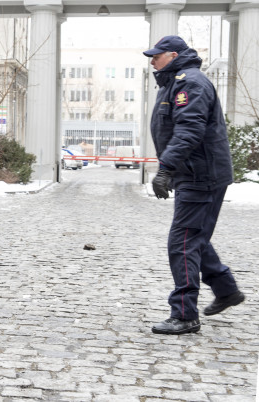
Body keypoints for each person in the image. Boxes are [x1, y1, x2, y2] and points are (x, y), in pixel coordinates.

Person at [144, 35, 244, 335]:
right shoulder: (177, 82)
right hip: (196, 172)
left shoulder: (190, 82)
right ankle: (226, 289)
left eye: (156, 56)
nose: (152, 61)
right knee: (193, 235)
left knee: (183, 241)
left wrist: (166, 168)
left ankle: (185, 314)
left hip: (201, 174)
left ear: (173, 55)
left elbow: (189, 129)